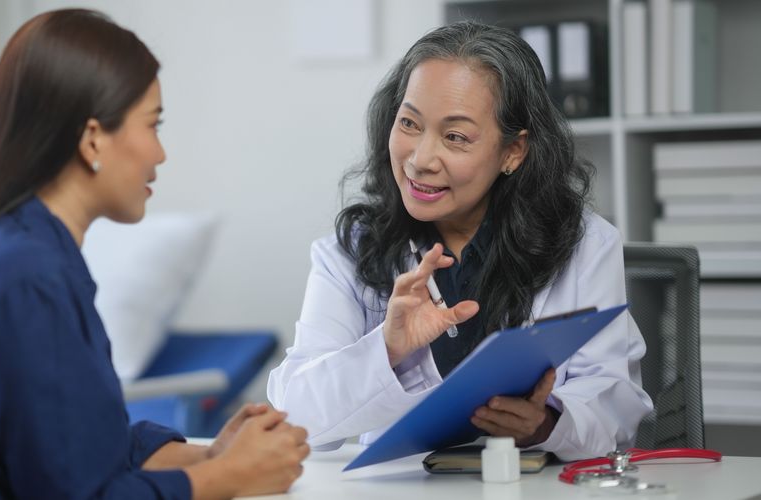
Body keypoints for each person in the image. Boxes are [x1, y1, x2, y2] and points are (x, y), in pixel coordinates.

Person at [0, 9, 308, 499]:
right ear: (92, 139)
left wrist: (210, 454)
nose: (160, 154)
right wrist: (226, 477)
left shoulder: (22, 255)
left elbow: (61, 446)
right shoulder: (25, 277)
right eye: (153, 126)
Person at [268, 21, 653, 461]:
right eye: (409, 123)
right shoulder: (349, 252)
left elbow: (617, 404)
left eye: (455, 136)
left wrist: (547, 424)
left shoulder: (584, 243)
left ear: (513, 151)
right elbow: (292, 416)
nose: (420, 159)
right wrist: (387, 348)